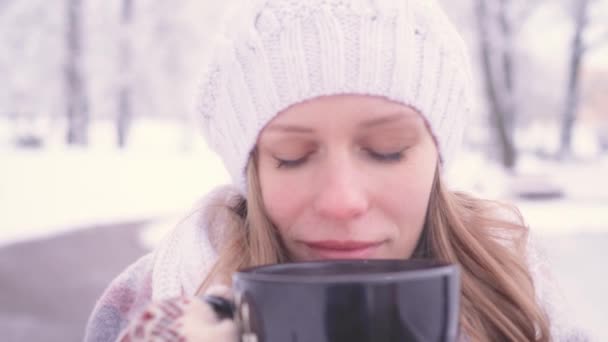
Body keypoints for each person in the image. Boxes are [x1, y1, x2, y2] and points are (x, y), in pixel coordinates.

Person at [84, 0, 588, 341]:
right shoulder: (153, 303)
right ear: (253, 170)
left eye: (388, 150)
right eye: (292, 157)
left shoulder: (517, 293)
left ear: (439, 159)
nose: (342, 200)